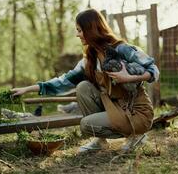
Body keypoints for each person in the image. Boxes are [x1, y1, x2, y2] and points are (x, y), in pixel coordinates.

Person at [11, 8, 159, 153]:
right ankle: (100, 141)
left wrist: (130, 77)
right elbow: (62, 82)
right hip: (115, 108)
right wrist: (28, 89)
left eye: (80, 30)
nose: (77, 35)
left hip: (136, 111)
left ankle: (135, 136)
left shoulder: (122, 49)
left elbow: (153, 70)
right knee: (83, 87)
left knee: (86, 124)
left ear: (91, 30)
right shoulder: (90, 59)